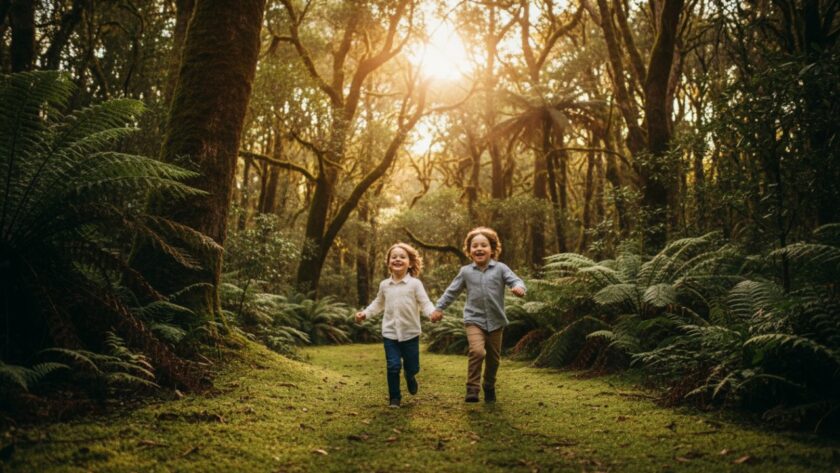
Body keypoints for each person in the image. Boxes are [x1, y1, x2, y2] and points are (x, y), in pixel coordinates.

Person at [430, 227, 525, 403]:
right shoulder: (465, 272)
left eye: (484, 245)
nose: (479, 248)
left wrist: (519, 288)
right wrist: (438, 308)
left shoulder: (501, 269)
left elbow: (516, 280)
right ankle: (472, 389)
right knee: (477, 351)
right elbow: (451, 292)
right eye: (475, 246)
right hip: (474, 320)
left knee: (493, 359)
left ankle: (489, 385)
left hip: (496, 321)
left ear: (493, 249)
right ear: (469, 250)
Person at [356, 242, 438, 408]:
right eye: (394, 257)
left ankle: (410, 375)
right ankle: (395, 398)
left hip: (411, 334)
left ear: (410, 262)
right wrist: (365, 313)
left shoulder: (415, 284)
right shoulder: (385, 285)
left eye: (402, 257)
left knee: (412, 366)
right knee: (393, 366)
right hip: (390, 334)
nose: (398, 259)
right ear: (388, 262)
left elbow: (425, 303)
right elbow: (378, 303)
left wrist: (432, 313)